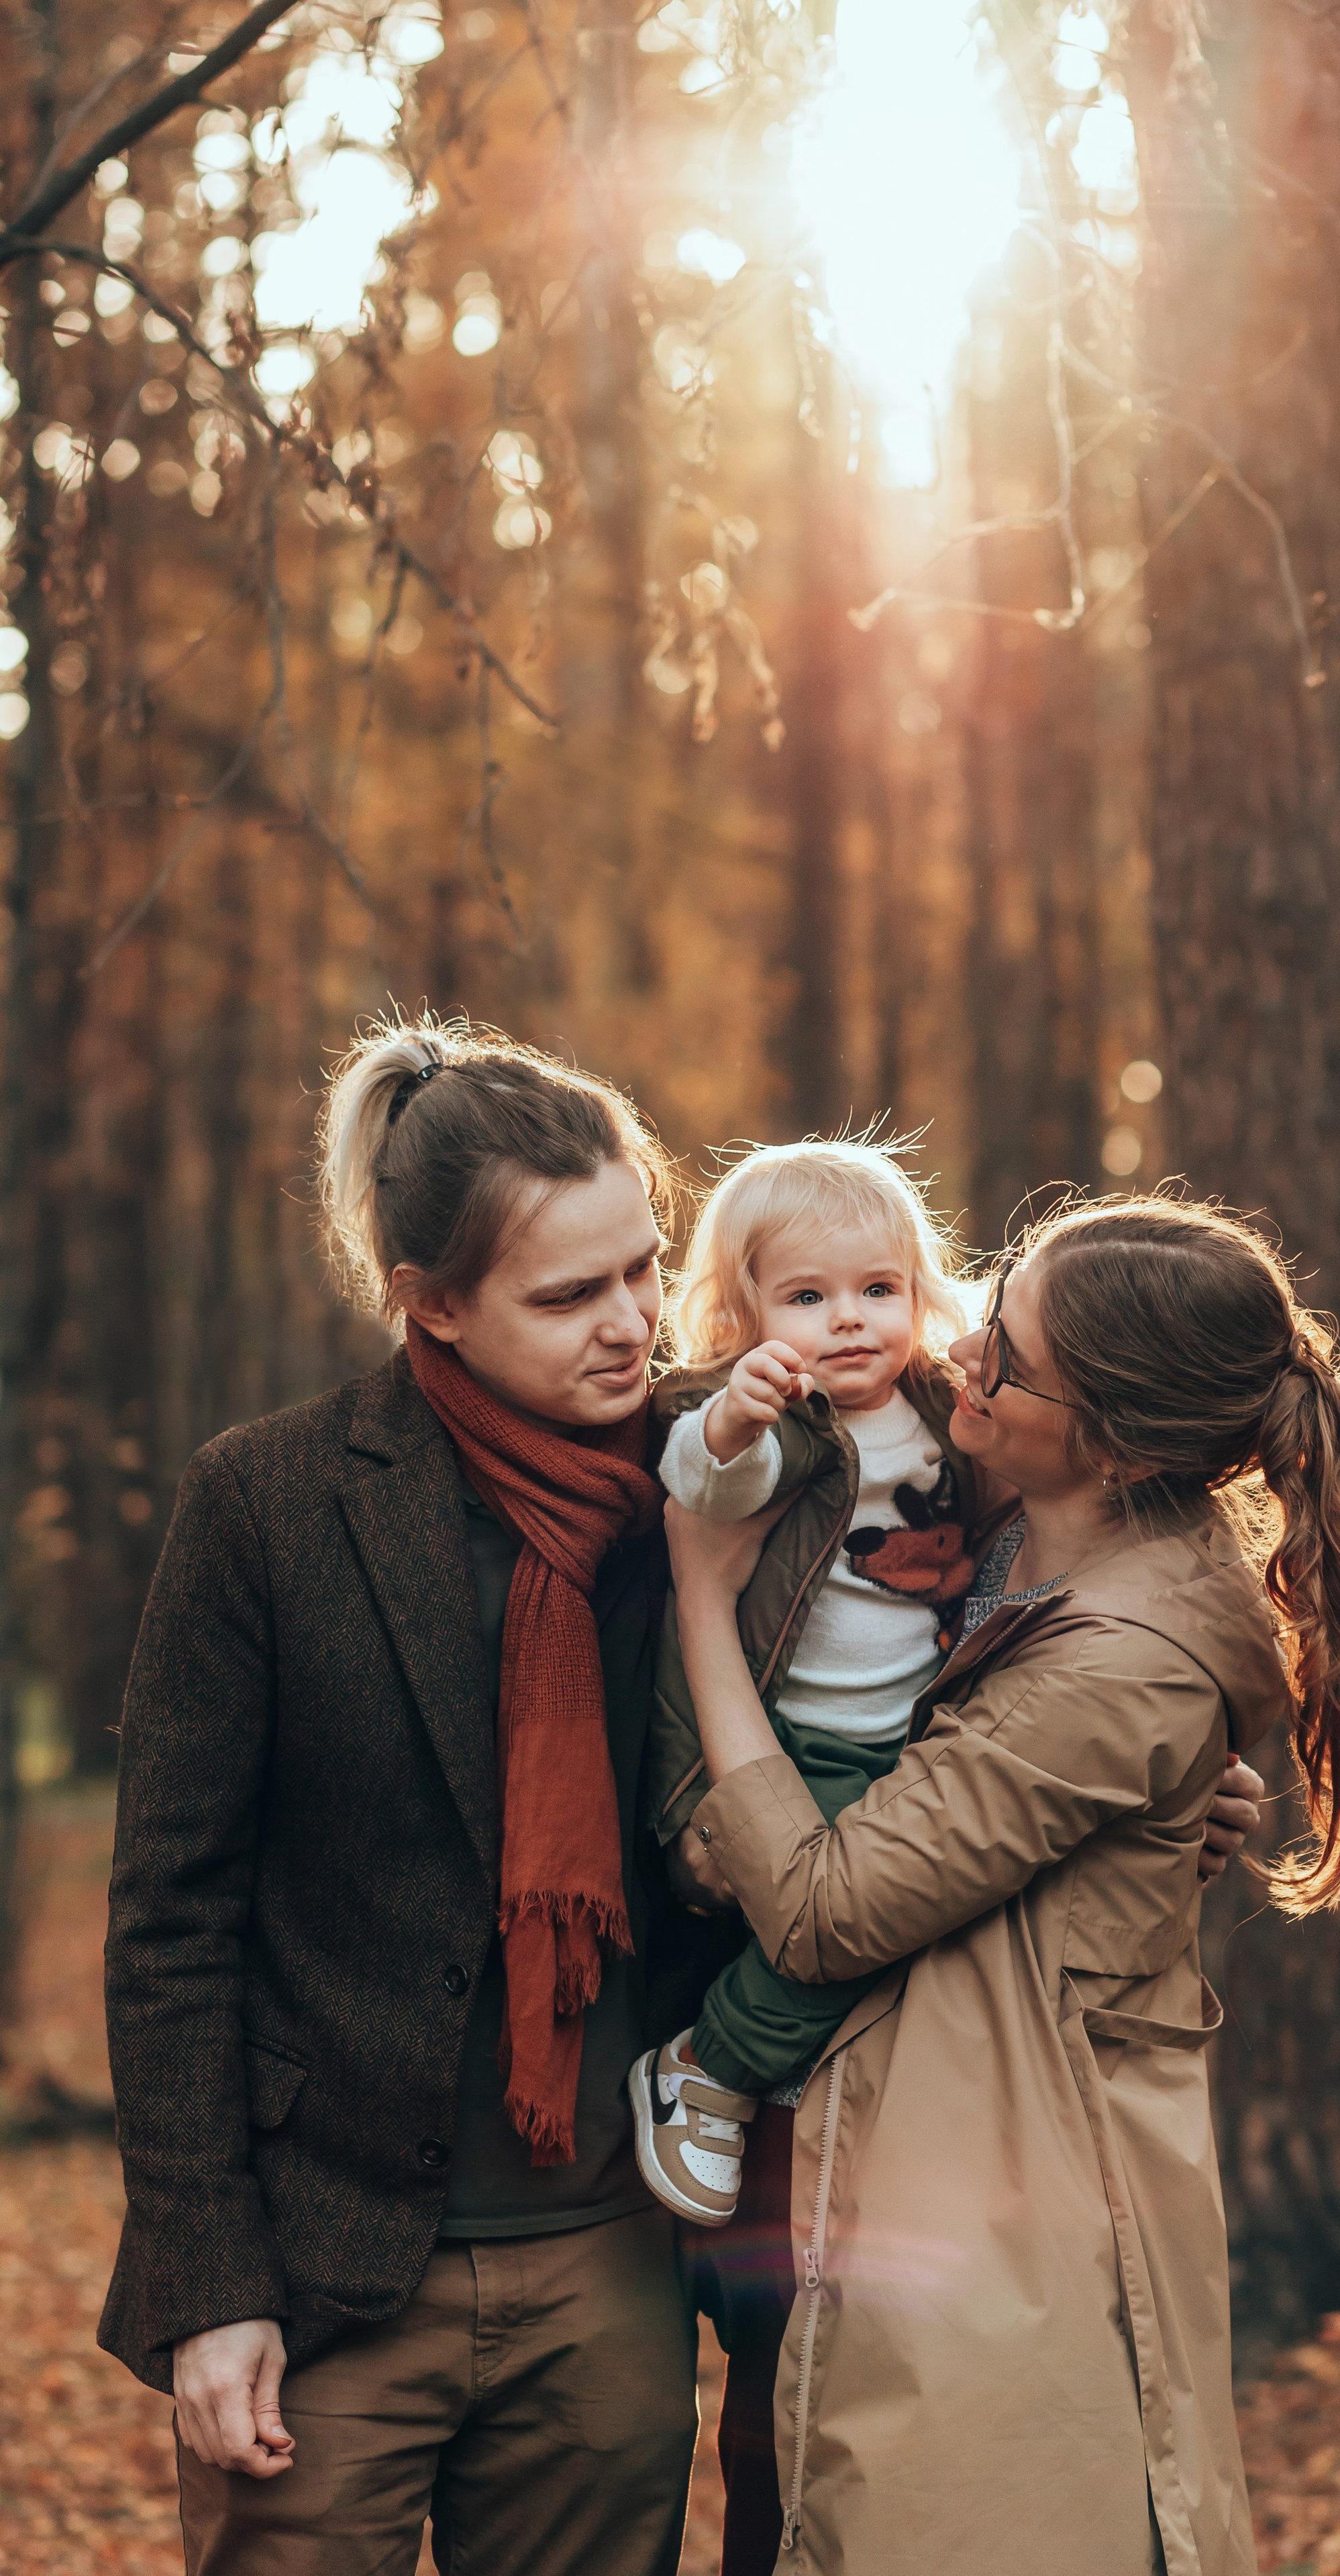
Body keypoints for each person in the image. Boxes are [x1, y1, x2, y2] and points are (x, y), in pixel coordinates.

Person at [667, 1196, 1340, 2576]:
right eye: (988, 1317)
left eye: (1004, 1361)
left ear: (1110, 1435)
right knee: (781, 2474)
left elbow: (818, 1909)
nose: (961, 1361)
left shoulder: (1119, 1654)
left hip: (978, 2183)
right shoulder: (1028, 1515)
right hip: (879, 2125)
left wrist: (697, 1594)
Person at [99, 1020, 709, 2576]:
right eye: (570, 1294)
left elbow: (971, 1573)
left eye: (645, 1266)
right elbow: (173, 1919)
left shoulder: (733, 1475)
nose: (633, 1323)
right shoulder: (268, 1502)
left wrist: (1186, 1761)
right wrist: (208, 2284)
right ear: (427, 1306)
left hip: (612, 2263)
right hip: (325, 2275)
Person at [630, 1138, 999, 2230]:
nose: (849, 1320)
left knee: (918, 1917)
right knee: (858, 1919)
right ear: (745, 1315)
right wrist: (738, 1414)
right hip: (795, 1747)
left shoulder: (941, 1410)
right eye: (807, 1296)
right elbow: (703, 1480)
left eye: (877, 1290)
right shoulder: (775, 1418)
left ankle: (746, 2069)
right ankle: (709, 2068)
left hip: (912, 1738)